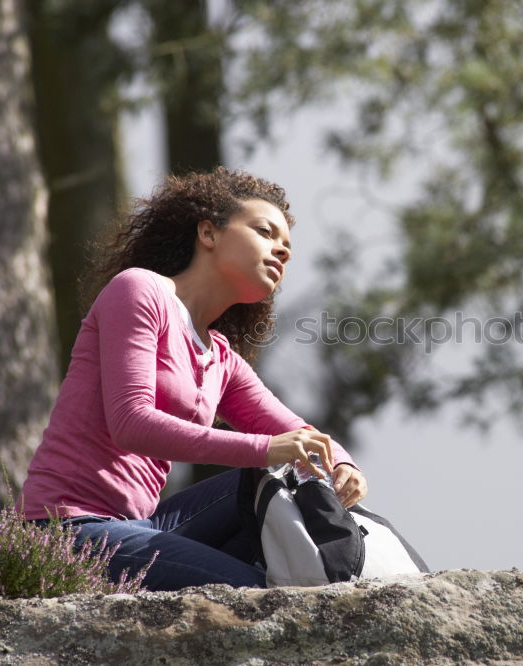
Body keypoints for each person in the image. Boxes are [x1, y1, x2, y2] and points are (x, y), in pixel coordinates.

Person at [19, 167, 367, 591]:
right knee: (254, 592)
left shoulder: (221, 357)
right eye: (265, 231)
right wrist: (266, 449)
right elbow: (131, 423)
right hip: (67, 529)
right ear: (209, 233)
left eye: (288, 248)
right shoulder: (140, 291)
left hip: (139, 526)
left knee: (278, 487)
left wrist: (342, 461)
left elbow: (296, 431)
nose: (282, 252)